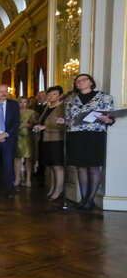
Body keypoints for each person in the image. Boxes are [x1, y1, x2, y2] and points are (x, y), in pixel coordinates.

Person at [65, 74, 114, 211]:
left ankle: (90, 200)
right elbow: (68, 118)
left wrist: (107, 120)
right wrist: (64, 122)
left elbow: (110, 117)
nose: (80, 83)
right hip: (76, 136)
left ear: (91, 82)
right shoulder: (71, 101)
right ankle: (84, 199)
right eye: (77, 81)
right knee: (80, 167)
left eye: (83, 80)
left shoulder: (105, 97)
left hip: (95, 135)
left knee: (93, 167)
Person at [33, 86, 66, 200]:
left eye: (54, 94)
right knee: (51, 166)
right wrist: (37, 125)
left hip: (57, 140)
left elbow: (62, 125)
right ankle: (52, 187)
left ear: (60, 95)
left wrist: (44, 127)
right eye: (50, 94)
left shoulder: (62, 107)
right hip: (46, 139)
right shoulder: (47, 107)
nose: (51, 96)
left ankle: (59, 189)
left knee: (57, 166)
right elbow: (43, 121)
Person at [14, 96, 37, 187]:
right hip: (16, 136)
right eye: (20, 102)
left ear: (27, 103)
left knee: (28, 158)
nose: (22, 104)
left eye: (24, 102)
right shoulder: (13, 113)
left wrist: (24, 125)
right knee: (17, 158)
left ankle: (28, 179)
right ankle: (17, 178)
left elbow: (34, 124)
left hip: (28, 136)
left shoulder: (32, 112)